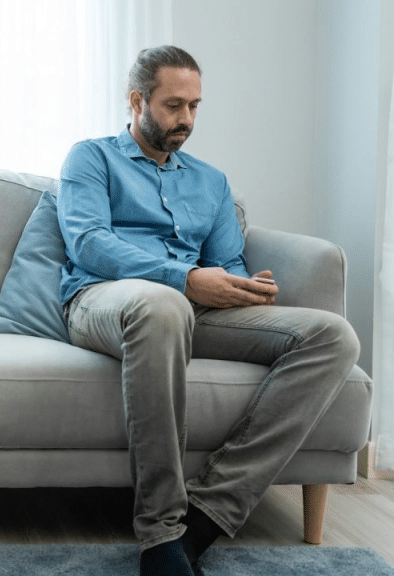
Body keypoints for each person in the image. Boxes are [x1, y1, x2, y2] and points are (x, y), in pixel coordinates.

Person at [57, 45, 359, 576]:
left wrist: (245, 286)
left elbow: (224, 261)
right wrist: (184, 277)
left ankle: (208, 514)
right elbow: (89, 244)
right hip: (106, 300)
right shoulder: (91, 158)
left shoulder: (210, 181)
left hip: (193, 308)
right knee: (163, 303)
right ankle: (160, 532)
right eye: (174, 106)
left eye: (195, 106)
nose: (187, 120)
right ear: (136, 100)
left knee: (334, 336)